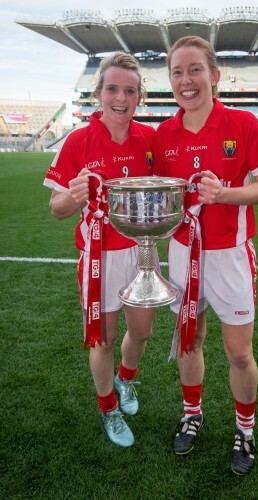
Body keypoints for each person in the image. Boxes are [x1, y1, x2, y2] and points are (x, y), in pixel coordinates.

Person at [153, 36, 258, 474]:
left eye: (194, 70)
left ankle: (245, 429)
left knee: (238, 352)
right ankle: (193, 414)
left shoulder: (244, 123)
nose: (186, 81)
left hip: (229, 255)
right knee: (189, 338)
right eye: (177, 72)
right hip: (181, 253)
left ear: (214, 76)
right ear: (169, 80)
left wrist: (224, 194)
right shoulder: (163, 135)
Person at [43, 52, 156, 448]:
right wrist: (73, 197)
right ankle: (108, 406)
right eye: (112, 89)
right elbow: (56, 208)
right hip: (99, 257)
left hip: (143, 252)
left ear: (139, 97)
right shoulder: (77, 141)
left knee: (141, 332)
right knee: (103, 339)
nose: (121, 98)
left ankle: (126, 381)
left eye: (130, 90)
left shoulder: (150, 139)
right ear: (98, 93)